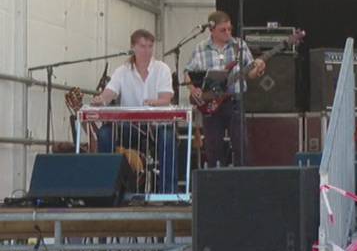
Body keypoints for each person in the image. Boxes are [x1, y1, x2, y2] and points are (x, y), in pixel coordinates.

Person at [92, 29, 178, 194]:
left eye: (150, 46)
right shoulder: (122, 71)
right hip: (129, 127)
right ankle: (107, 189)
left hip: (156, 126)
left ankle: (168, 193)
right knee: (105, 133)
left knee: (167, 136)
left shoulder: (162, 69)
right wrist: (101, 99)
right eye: (142, 46)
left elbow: (166, 98)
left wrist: (153, 103)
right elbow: (110, 92)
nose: (147, 51)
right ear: (133, 47)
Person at [186, 11, 265, 167]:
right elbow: (187, 73)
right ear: (211, 30)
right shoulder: (200, 48)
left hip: (235, 100)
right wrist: (193, 89)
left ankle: (242, 177)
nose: (228, 33)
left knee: (241, 145)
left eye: (230, 29)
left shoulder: (239, 45)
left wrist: (259, 69)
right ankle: (215, 178)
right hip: (211, 103)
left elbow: (250, 73)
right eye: (223, 30)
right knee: (213, 146)